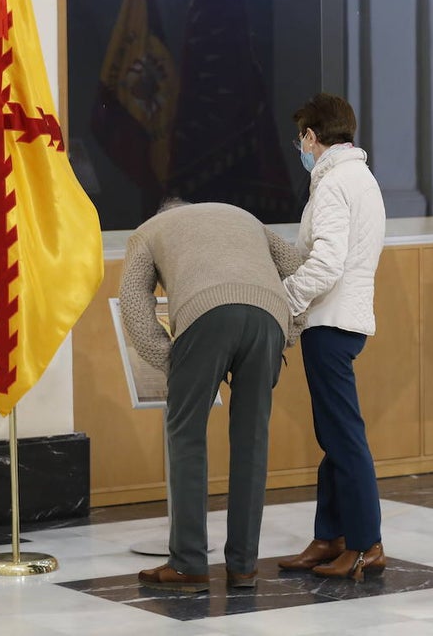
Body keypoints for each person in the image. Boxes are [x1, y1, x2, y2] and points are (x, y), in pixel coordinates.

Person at [118, 199, 303, 593]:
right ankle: (244, 567)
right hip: (267, 317)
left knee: (186, 438)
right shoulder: (243, 215)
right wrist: (289, 329)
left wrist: (169, 358)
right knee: (252, 441)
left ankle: (188, 566)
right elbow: (299, 266)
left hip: (203, 317)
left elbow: (134, 305)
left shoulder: (149, 231)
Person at [278, 93, 388, 581]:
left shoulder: (332, 183)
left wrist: (283, 299)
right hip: (343, 319)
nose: (299, 147)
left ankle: (366, 545)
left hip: (330, 321)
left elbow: (325, 262)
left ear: (310, 136)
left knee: (344, 438)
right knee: (334, 436)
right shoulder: (359, 177)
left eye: (299, 138)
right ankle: (331, 537)